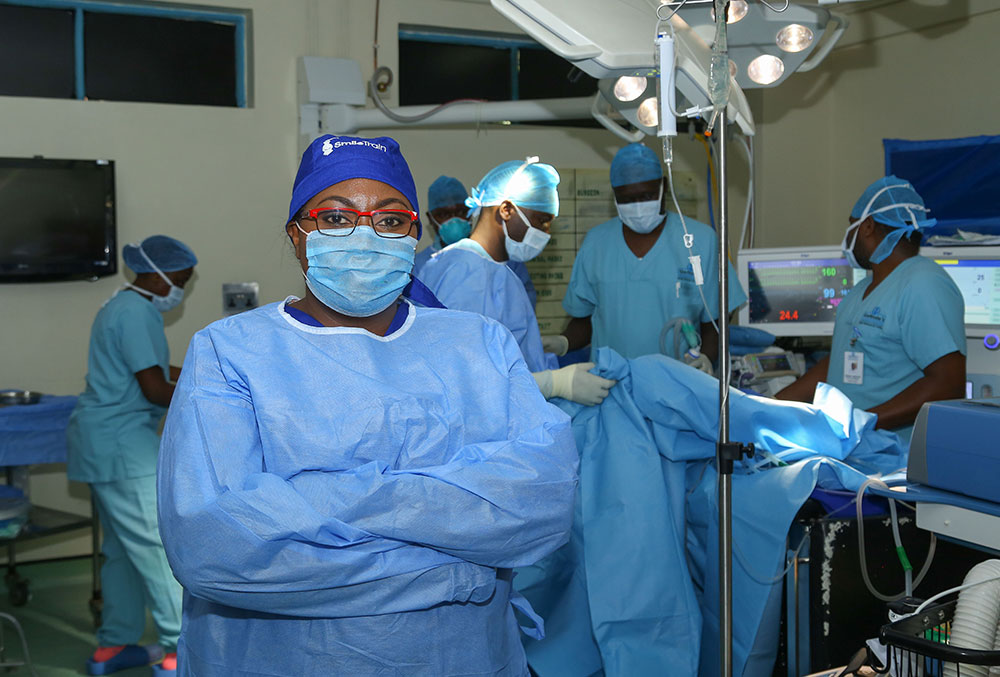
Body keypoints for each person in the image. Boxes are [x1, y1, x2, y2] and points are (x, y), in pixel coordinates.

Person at [156, 134, 579, 677]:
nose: (363, 233)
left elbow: (541, 505)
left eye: (389, 218)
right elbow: (216, 550)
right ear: (297, 234)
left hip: (465, 656)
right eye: (335, 218)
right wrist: (458, 568)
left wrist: (316, 495)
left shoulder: (479, 344)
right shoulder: (231, 352)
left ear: (413, 230)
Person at [66, 235, 196, 676]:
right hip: (122, 446)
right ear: (156, 278)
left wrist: (207, 368)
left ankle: (114, 646)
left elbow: (156, 370)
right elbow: (155, 389)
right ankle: (181, 651)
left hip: (103, 441)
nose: (180, 289)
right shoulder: (138, 313)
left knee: (121, 551)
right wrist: (206, 392)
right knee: (158, 547)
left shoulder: (120, 306)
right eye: (179, 281)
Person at [776, 176, 966, 440]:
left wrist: (864, 423)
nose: (848, 238)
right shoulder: (864, 288)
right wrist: (774, 406)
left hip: (894, 454)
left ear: (866, 226)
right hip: (855, 445)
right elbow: (840, 361)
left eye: (850, 227)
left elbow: (947, 385)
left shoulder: (923, 284)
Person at [421, 159, 616, 406]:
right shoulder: (469, 273)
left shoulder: (493, 270)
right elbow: (466, 381)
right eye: (541, 219)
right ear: (506, 210)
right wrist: (554, 383)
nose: (546, 231)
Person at [548, 143, 747, 373]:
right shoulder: (596, 243)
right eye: (627, 199)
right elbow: (584, 321)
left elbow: (715, 320)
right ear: (614, 196)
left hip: (679, 380)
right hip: (612, 383)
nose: (638, 207)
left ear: (664, 186)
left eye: (647, 195)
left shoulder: (700, 241)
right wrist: (563, 343)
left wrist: (707, 357)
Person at [415, 174, 538, 306]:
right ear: (430, 218)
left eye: (461, 212)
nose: (455, 219)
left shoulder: (504, 259)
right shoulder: (417, 267)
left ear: (471, 211)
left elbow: (523, 306)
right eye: (444, 214)